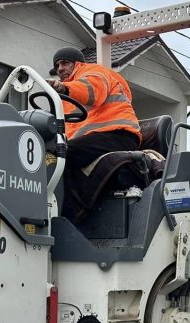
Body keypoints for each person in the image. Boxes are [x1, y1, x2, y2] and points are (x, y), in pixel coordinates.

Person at [46, 47, 142, 219]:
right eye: (57, 65)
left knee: (61, 154)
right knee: (52, 153)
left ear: (78, 64)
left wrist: (64, 88)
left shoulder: (94, 72)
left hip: (118, 135)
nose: (60, 68)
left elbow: (91, 89)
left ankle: (69, 216)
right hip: (99, 139)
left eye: (65, 63)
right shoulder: (66, 97)